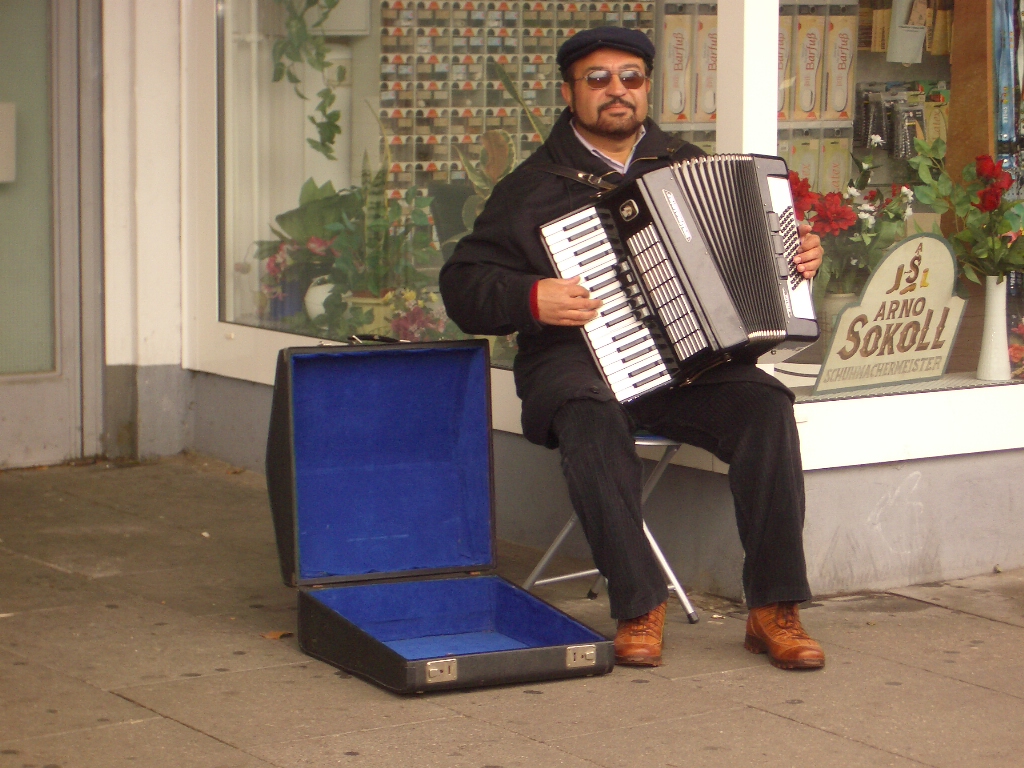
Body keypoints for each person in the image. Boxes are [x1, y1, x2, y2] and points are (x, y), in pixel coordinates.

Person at [439, 26, 826, 670]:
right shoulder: (531, 188)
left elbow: (757, 256)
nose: (616, 90)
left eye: (631, 77)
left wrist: (799, 258)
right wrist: (531, 297)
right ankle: (639, 604)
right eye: (597, 79)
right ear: (569, 93)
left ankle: (774, 608)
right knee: (588, 417)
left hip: (684, 364)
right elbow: (463, 287)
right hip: (576, 361)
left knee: (766, 407)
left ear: (646, 88)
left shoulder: (685, 165)